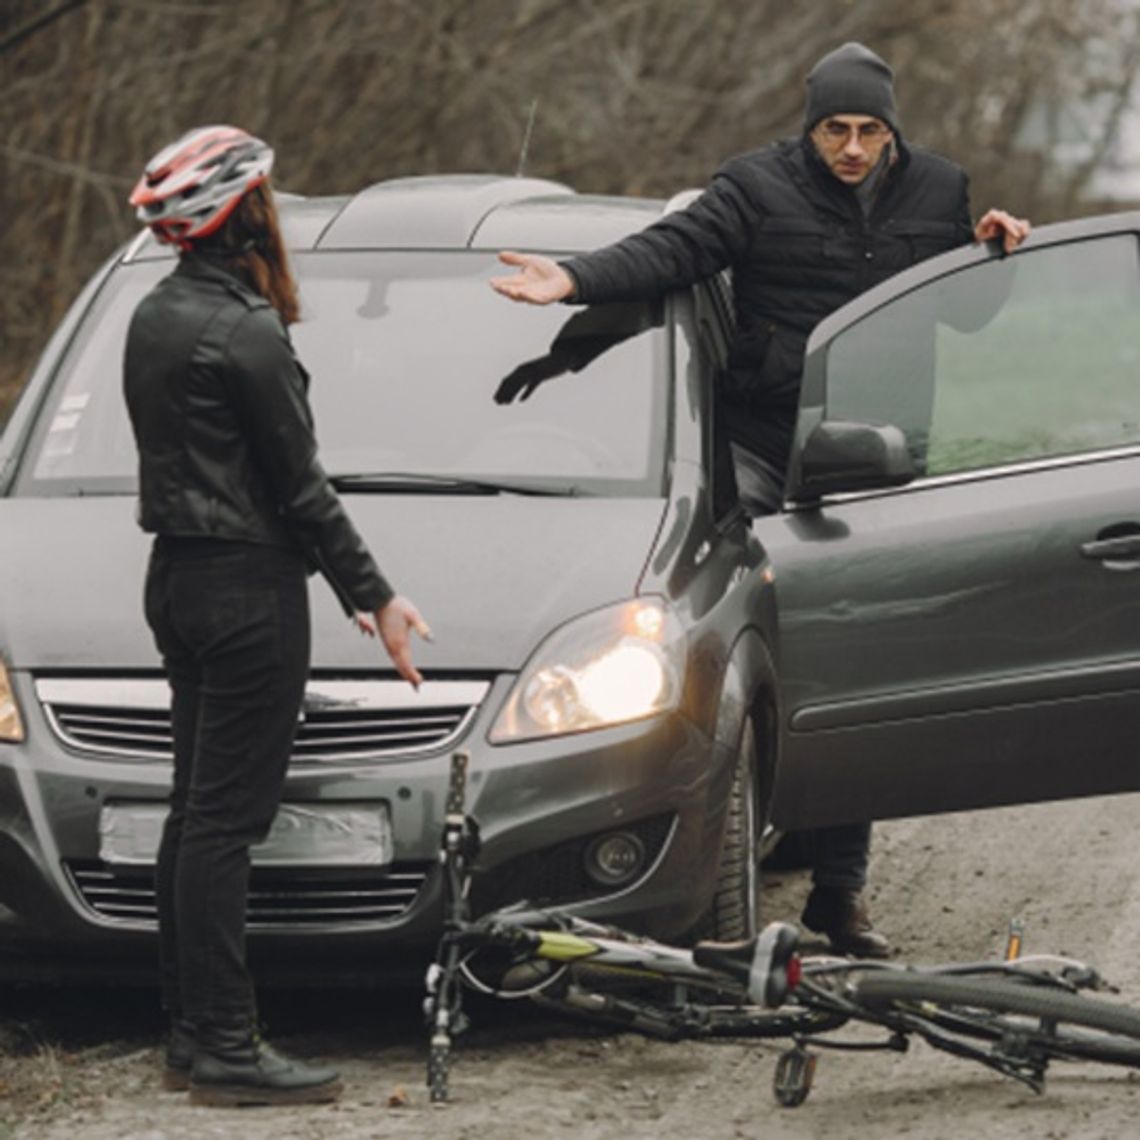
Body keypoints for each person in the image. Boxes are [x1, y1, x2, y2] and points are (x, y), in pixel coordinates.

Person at [490, 43, 1030, 958]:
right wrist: (573, 278)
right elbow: (673, 249)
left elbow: (966, 314)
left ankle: (841, 893)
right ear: (808, 126)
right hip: (759, 448)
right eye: (834, 130)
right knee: (742, 627)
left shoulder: (938, 191)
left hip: (873, 456)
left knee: (853, 658)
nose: (851, 149)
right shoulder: (754, 187)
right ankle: (702, 829)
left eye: (868, 132)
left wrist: (995, 252)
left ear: (892, 132)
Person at [123, 125, 430, 1107]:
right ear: (244, 210)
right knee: (225, 823)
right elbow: (301, 491)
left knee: (193, 812)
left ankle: (188, 1033)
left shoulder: (152, 315)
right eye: (268, 195)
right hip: (249, 593)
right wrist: (377, 597)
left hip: (175, 578)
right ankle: (225, 1047)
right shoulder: (247, 332)